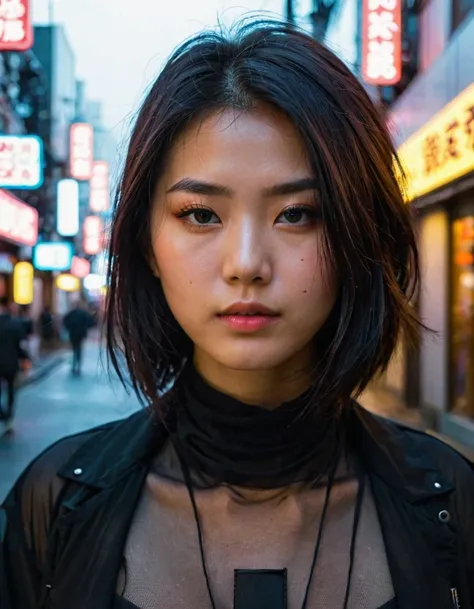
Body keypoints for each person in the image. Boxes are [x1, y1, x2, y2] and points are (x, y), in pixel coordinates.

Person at [1, 21, 473, 609]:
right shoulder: (56, 504)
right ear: (146, 241)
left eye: (297, 214)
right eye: (201, 215)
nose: (246, 264)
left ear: (360, 233)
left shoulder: (452, 504)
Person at [0, 296, 28, 433]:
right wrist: (25, 359)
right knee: (11, 391)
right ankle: (9, 417)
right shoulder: (15, 324)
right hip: (11, 363)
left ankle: (3, 413)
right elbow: (21, 345)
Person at [63, 300, 95, 375]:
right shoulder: (83, 313)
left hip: (73, 333)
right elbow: (90, 321)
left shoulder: (71, 313)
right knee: (79, 349)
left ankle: (74, 365)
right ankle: (78, 365)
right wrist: (85, 328)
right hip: (80, 333)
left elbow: (65, 321)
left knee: (74, 349)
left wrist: (69, 328)